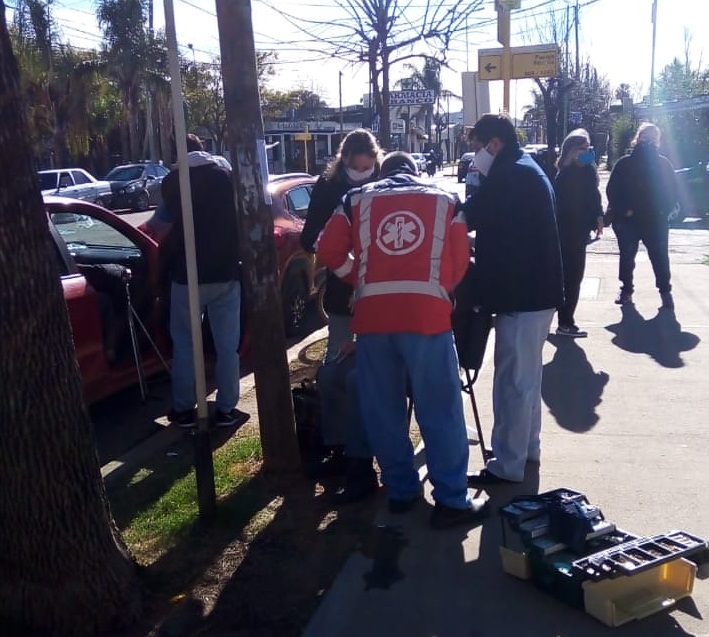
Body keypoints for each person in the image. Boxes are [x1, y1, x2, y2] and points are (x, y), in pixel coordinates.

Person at [318, 151, 489, 530]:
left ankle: (400, 491)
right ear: (415, 173)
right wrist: (439, 291)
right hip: (427, 318)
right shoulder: (446, 200)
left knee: (383, 406)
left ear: (382, 173)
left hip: (374, 318)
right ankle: (450, 500)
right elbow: (461, 261)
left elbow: (326, 248)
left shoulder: (356, 199)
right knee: (440, 406)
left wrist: (357, 278)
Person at [462, 114, 563, 485]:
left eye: (476, 147)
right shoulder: (525, 168)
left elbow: (468, 215)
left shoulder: (509, 174)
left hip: (521, 294)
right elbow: (505, 229)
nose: (475, 157)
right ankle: (526, 450)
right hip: (537, 291)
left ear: (494, 144)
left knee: (512, 383)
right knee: (527, 379)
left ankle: (506, 464)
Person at [146, 134, 249, 429]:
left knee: (185, 344)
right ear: (203, 150)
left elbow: (158, 227)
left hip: (185, 277)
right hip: (225, 273)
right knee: (227, 346)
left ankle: (183, 409)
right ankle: (227, 409)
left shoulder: (172, 183)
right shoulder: (226, 176)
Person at [301, 129, 382, 476]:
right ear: (344, 162)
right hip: (341, 292)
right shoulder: (329, 186)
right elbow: (310, 237)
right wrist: (340, 257)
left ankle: (372, 443)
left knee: (375, 371)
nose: (362, 174)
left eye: (368, 168)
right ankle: (338, 443)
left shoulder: (385, 182)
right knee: (335, 369)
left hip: (380, 293)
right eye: (357, 169)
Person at [606, 122, 678, 309]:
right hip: (629, 220)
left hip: (655, 220)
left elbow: (673, 191)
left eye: (653, 138)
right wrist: (624, 210)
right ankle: (626, 289)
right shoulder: (625, 163)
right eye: (646, 137)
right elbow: (612, 190)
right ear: (638, 138)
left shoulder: (663, 164)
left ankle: (665, 291)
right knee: (627, 256)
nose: (649, 141)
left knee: (660, 256)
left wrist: (664, 210)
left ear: (658, 141)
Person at [553, 129, 604, 337]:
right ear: (572, 151)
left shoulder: (588, 171)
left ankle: (565, 320)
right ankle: (565, 322)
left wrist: (598, 217)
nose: (588, 152)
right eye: (583, 149)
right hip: (565, 234)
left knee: (575, 278)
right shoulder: (564, 175)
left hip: (580, 233)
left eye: (589, 148)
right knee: (569, 278)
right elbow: (561, 204)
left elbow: (594, 196)